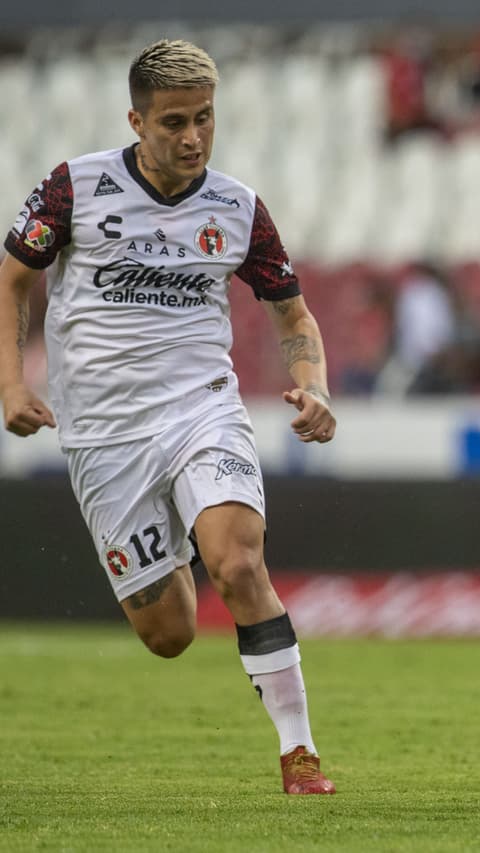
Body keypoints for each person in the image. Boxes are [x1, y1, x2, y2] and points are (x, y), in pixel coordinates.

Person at [0, 40, 337, 796]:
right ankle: (179, 536)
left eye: (205, 120)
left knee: (241, 562)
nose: (192, 137)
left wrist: (313, 383)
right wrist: (10, 385)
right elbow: (12, 279)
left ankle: (300, 753)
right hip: (103, 433)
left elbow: (293, 314)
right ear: (137, 120)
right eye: (175, 122)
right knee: (170, 634)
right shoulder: (74, 188)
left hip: (200, 410)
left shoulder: (238, 207)